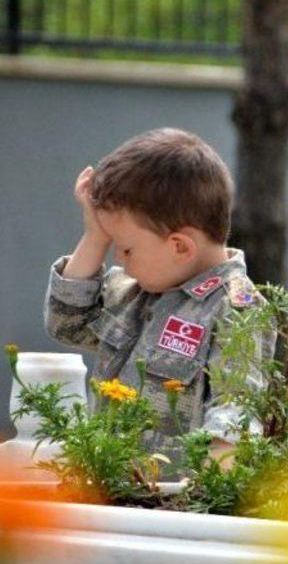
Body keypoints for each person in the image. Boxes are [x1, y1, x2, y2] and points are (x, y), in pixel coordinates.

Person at [44, 127, 275, 475]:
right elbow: (68, 323)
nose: (118, 259)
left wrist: (206, 495)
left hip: (170, 506)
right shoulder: (135, 290)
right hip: (106, 487)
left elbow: (236, 411)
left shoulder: (237, 308)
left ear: (180, 246)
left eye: (125, 247)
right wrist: (94, 235)